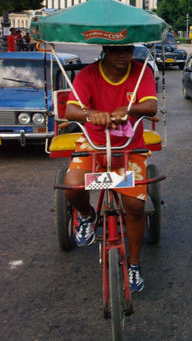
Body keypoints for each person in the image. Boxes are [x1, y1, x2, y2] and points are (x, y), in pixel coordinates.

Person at [64, 45, 158, 292]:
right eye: (117, 51)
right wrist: (92, 114)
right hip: (93, 144)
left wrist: (128, 110)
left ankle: (134, 264)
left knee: (136, 207)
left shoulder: (141, 71)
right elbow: (70, 110)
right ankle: (86, 215)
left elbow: (150, 107)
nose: (123, 56)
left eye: (127, 50)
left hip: (129, 147)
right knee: (73, 187)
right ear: (105, 50)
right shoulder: (88, 74)